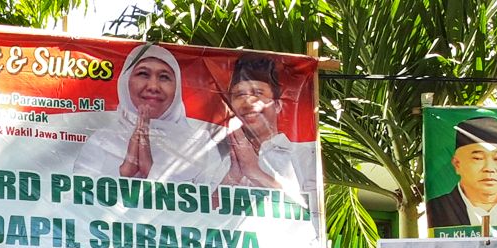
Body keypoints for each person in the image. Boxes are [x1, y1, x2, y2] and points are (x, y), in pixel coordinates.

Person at [73, 43, 226, 183]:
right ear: (126, 82)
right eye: (143, 74)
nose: (153, 86)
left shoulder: (200, 145)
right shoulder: (102, 141)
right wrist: (124, 171)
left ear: (177, 88)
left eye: (164, 77)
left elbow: (215, 205)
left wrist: (151, 171)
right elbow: (74, 198)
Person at [219, 55, 317, 198]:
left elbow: (311, 212)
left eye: (258, 93)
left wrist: (253, 171)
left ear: (277, 105)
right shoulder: (217, 156)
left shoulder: (305, 157)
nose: (248, 103)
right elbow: (198, 213)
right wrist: (233, 176)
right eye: (239, 95)